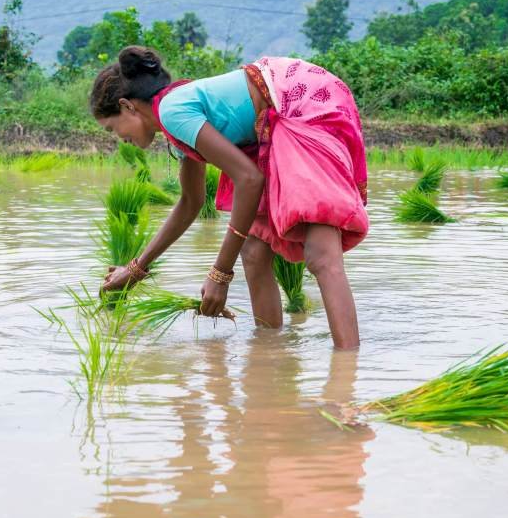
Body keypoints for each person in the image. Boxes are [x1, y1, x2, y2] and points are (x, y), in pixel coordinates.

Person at [91, 46, 369, 349]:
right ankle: (270, 356)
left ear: (127, 106)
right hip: (281, 106)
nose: (120, 138)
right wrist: (134, 270)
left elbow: (249, 179)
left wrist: (220, 274)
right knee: (253, 252)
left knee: (322, 255)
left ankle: (346, 375)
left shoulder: (172, 111)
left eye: (112, 127)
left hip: (302, 100)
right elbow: (190, 203)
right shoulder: (173, 113)